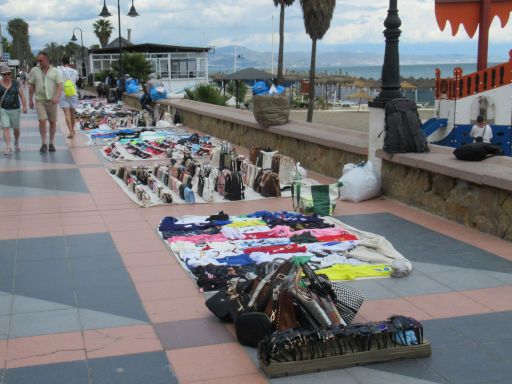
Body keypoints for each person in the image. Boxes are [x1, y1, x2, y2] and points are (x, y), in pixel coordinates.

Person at [28, 52, 63, 152]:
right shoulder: (34, 70)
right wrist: (30, 100)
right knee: (42, 120)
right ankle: (43, 143)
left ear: (47, 60)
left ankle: (51, 143)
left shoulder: (55, 71)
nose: (39, 62)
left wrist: (57, 97)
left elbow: (60, 85)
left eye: (41, 60)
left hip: (52, 100)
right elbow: (31, 86)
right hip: (40, 100)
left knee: (52, 122)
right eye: (38, 60)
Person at [0, 65, 27, 155]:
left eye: (8, 74)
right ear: (2, 75)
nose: (7, 76)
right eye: (4, 74)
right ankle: (8, 146)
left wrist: (24, 106)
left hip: (15, 109)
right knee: (5, 127)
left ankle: (16, 141)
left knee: (16, 129)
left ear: (11, 74)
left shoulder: (16, 83)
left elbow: (22, 95)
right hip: (3, 109)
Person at [58, 56, 79, 139]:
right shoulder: (75, 71)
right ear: (69, 62)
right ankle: (73, 130)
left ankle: (70, 131)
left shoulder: (59, 71)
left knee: (67, 113)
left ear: (62, 62)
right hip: (73, 92)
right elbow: (76, 80)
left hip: (63, 93)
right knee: (72, 113)